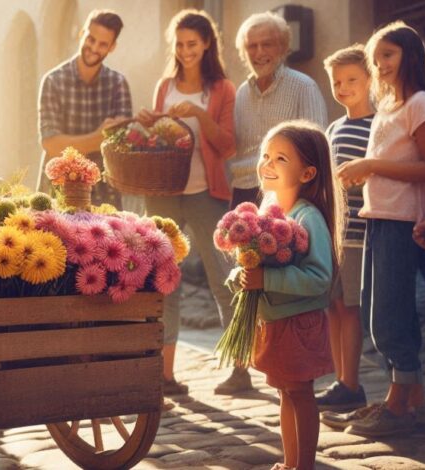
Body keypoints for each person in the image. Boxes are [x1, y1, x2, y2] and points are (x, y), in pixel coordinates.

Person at [333, 21, 425, 437]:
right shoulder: (390, 106)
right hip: (377, 218)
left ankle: (397, 407)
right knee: (377, 313)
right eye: (376, 58)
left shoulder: (419, 104)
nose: (381, 65)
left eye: (388, 55)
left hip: (404, 222)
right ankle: (416, 406)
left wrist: (371, 165)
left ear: (410, 56)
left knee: (389, 319)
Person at [134, 9, 236, 402]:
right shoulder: (165, 84)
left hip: (206, 192)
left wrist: (197, 113)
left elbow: (227, 143)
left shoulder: (221, 89)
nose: (185, 51)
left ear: (207, 44)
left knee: (223, 278)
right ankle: (165, 373)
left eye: (192, 44)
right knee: (166, 282)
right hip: (165, 192)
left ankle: (239, 368)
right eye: (179, 44)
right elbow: (160, 134)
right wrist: (149, 119)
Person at [237, 121, 342, 470]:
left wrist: (267, 277)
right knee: (285, 393)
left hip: (299, 323)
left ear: (308, 172)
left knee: (300, 393)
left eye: (280, 158)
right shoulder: (269, 211)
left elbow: (318, 278)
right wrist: (243, 275)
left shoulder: (307, 217)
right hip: (275, 322)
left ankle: (305, 465)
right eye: (266, 155)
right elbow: (256, 267)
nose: (267, 163)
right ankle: (291, 462)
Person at [315, 45, 373, 412]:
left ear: (369, 80)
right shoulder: (334, 127)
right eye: (336, 82)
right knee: (333, 305)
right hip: (333, 231)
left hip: (359, 234)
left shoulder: (377, 125)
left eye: (352, 79)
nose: (343, 87)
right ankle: (340, 380)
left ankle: (351, 383)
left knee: (350, 307)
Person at [37, 9, 136, 211]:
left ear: (112, 47)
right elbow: (51, 144)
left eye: (103, 44)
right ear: (82, 33)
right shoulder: (53, 80)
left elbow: (121, 148)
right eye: (91, 39)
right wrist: (100, 136)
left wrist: (72, 143)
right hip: (58, 189)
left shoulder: (118, 84)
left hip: (105, 193)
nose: (94, 48)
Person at [230, 12, 327, 210]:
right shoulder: (241, 92)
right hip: (243, 191)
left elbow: (317, 148)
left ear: (283, 47)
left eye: (267, 44)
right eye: (252, 46)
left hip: (285, 194)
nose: (259, 52)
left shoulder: (303, 87)